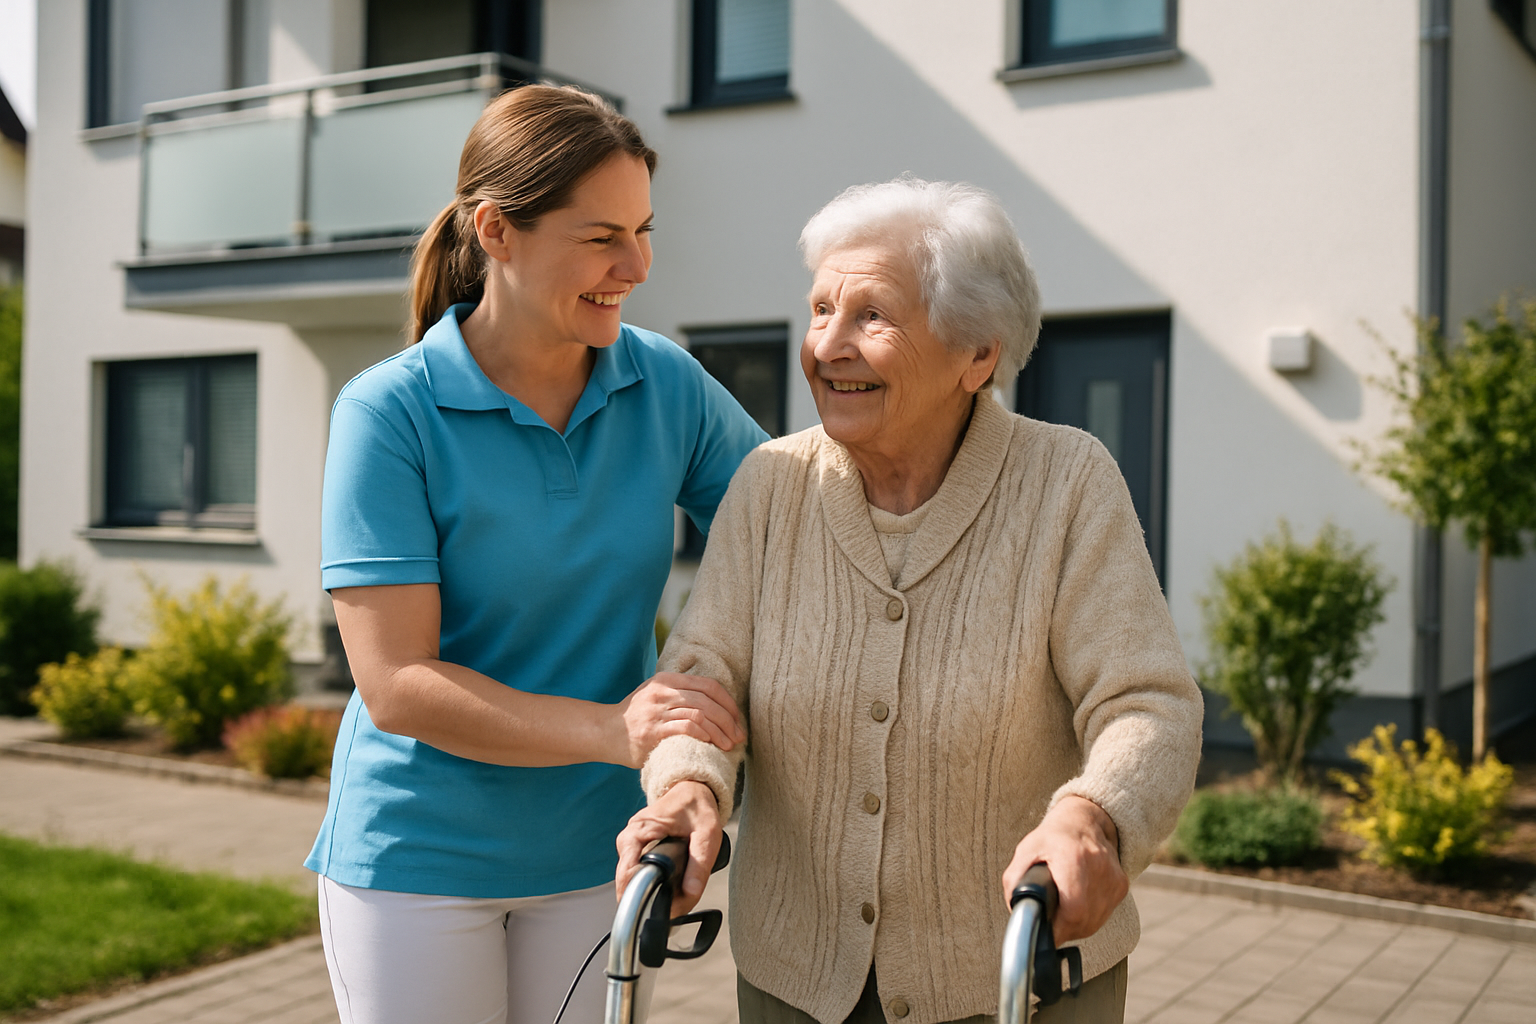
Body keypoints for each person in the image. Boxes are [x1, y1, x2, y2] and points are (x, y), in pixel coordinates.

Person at [616, 177, 1204, 1024]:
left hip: (1015, 978)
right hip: (795, 981)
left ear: (977, 355)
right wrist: (687, 791)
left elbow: (1147, 703)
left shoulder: (1066, 484)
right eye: (820, 311)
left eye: (871, 317)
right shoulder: (770, 487)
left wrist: (1092, 818)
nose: (827, 346)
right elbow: (702, 684)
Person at [307, 85, 765, 1024]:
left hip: (595, 850)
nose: (635, 265)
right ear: (498, 231)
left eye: (643, 230)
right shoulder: (389, 412)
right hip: (417, 860)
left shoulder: (664, 382)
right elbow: (396, 682)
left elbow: (789, 528)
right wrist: (615, 730)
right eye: (601, 236)